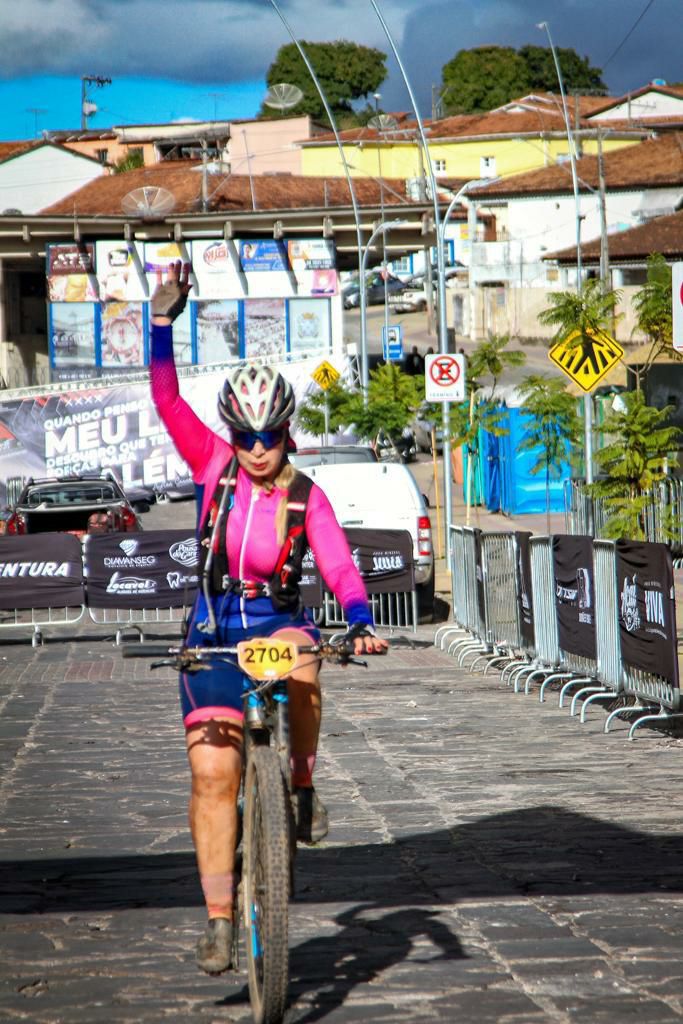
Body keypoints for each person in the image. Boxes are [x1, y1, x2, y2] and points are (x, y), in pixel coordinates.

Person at [149, 263, 387, 976]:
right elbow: (165, 399)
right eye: (246, 436)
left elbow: (338, 564)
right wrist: (160, 324)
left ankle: (303, 788)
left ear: (287, 432)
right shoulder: (211, 466)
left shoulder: (305, 496)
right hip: (214, 631)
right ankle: (220, 920)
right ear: (232, 434)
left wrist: (359, 617)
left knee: (305, 664)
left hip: (275, 622)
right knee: (213, 776)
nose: (257, 449)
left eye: (270, 436)